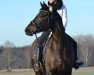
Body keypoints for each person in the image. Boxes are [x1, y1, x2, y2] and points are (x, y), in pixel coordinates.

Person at [35, 0, 83, 69]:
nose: (49, 0)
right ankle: (38, 62)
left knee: (74, 43)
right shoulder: (47, 7)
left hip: (59, 30)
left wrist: (61, 29)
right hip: (48, 30)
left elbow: (65, 18)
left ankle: (75, 62)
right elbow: (45, 19)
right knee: (39, 43)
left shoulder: (63, 7)